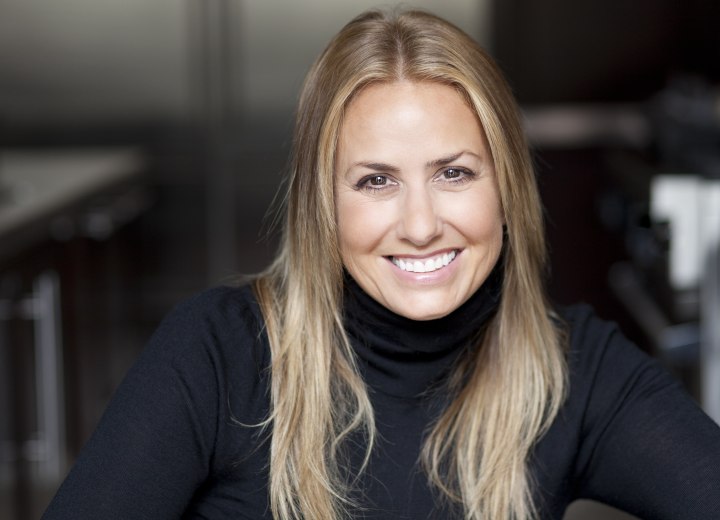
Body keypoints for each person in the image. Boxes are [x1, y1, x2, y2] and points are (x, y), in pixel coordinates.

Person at [43, 9, 720, 520]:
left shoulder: (577, 371)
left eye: (454, 172)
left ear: (507, 190)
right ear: (321, 206)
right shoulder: (218, 356)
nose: (422, 225)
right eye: (376, 181)